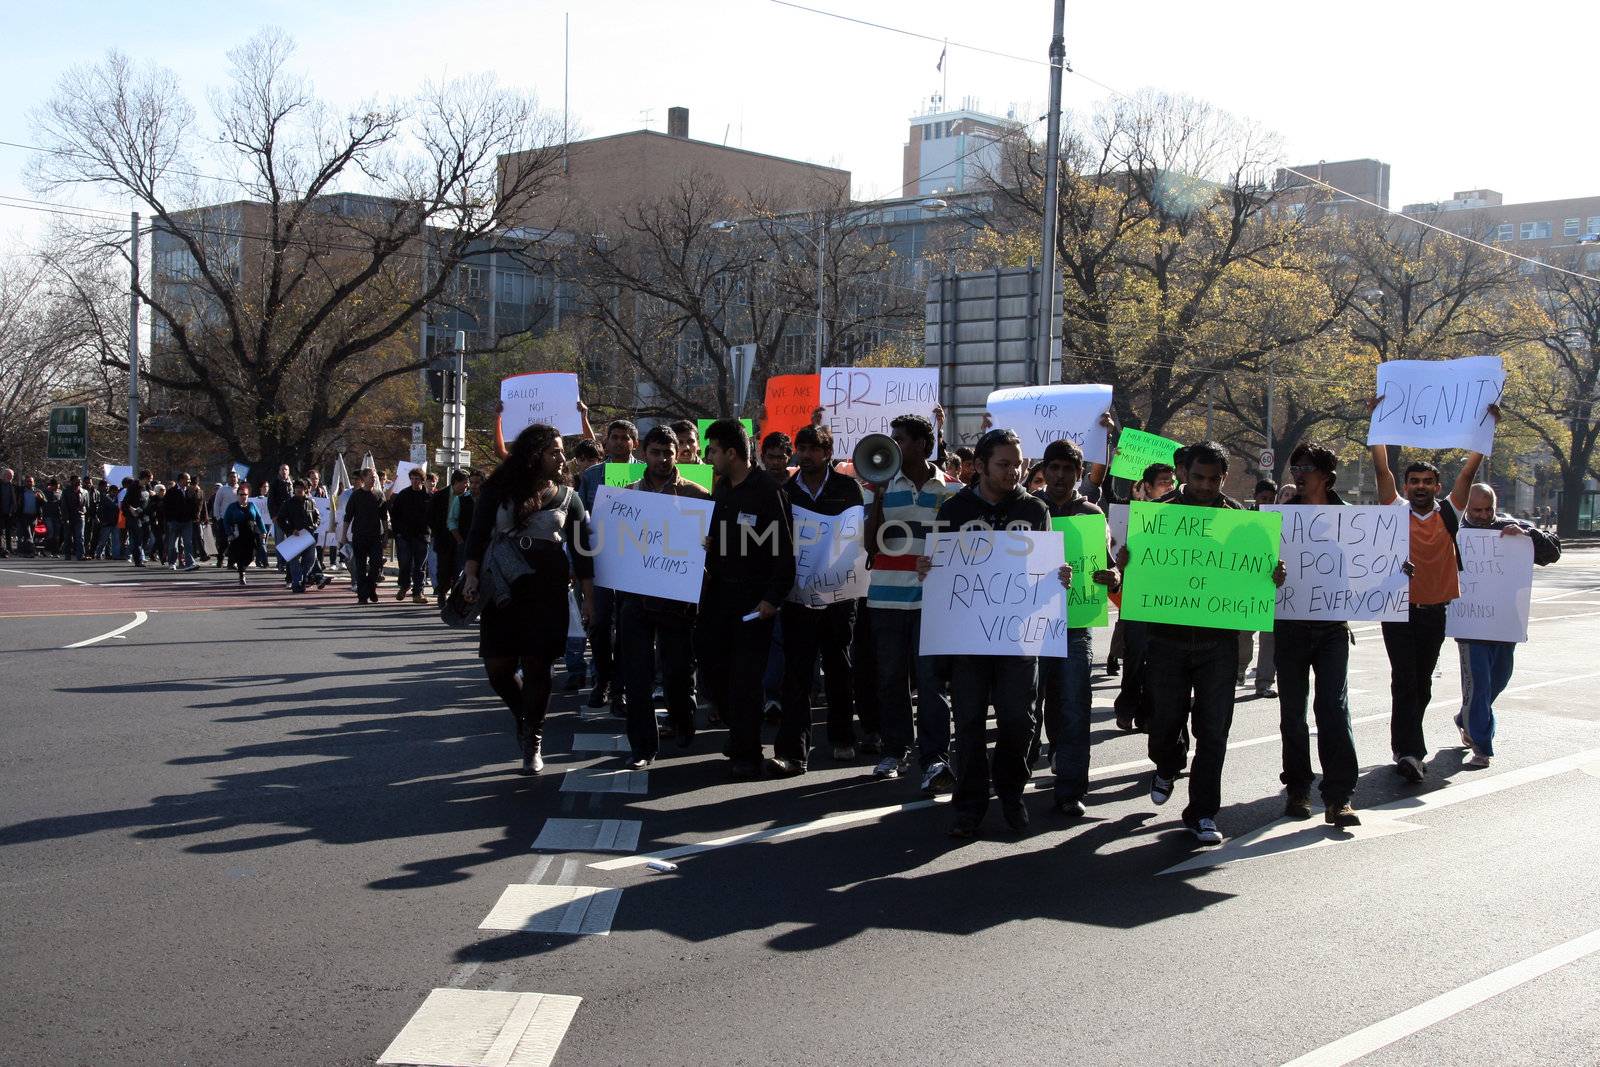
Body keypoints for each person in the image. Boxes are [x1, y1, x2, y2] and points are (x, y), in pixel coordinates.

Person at [917, 428, 1070, 837]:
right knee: (967, 724)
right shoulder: (955, 510)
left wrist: (1059, 576)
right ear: (980, 466)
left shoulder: (1036, 510)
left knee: (1019, 722)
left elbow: (1044, 569)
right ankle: (968, 806)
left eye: (1018, 463)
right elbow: (939, 569)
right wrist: (928, 571)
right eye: (1004, 464)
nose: (1014, 471)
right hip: (969, 642)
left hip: (1019, 640)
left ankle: (1011, 793)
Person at [1133, 441, 1285, 845]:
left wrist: (1271, 575)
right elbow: (1133, 569)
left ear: (1224, 477)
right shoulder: (1158, 517)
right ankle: (1167, 763)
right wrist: (1127, 563)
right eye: (1198, 477)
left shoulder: (1241, 520)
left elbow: (1254, 571)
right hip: (1167, 639)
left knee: (1214, 731)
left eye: (1213, 478)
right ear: (1184, 474)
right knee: (1164, 723)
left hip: (1219, 644)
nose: (1205, 485)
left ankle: (1202, 812)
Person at [1368, 398, 1495, 783]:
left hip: (1434, 611)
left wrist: (1484, 429)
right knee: (1404, 679)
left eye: (1427, 482)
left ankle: (1405, 745)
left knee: (1421, 682)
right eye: (1414, 482)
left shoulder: (1449, 511)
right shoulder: (1394, 507)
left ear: (1437, 486)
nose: (1420, 487)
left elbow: (1469, 472)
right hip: (1398, 610)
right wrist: (1376, 423)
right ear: (1406, 486)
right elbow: (1381, 468)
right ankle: (1409, 751)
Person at [462, 423, 594, 774]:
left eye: (562, 452)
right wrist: (471, 574)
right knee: (498, 668)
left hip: (547, 590)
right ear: (534, 455)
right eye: (554, 451)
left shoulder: (569, 497)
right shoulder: (497, 489)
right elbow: (476, 536)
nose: (562, 458)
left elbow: (584, 554)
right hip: (502, 587)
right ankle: (524, 714)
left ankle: (533, 738)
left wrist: (590, 599)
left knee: (539, 666)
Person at [696, 418, 795, 778]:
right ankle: (739, 732)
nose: (710, 457)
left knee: (745, 679)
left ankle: (747, 753)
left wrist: (772, 598)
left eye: (714, 451)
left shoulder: (767, 491)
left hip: (754, 602)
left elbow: (785, 552)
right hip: (719, 596)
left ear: (732, 453)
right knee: (711, 668)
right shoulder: (721, 488)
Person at [864, 412, 958, 790]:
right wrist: (880, 497)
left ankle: (935, 756)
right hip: (886, 597)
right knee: (890, 679)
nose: (894, 446)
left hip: (931, 602)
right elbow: (870, 545)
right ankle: (895, 749)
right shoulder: (879, 486)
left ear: (922, 443)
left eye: (900, 439)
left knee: (932, 681)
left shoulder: (950, 490)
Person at [766, 424, 866, 776]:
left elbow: (857, 538)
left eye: (813, 449)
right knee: (797, 674)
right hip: (797, 597)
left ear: (827, 453)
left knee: (839, 668)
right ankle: (793, 751)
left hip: (838, 597)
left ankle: (842, 737)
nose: (805, 455)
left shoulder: (846, 487)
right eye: (801, 448)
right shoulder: (786, 489)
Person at [1272, 442, 1362, 827]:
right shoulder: (1279, 519)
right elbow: (1259, 569)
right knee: (1292, 713)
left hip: (1331, 630)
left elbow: (1366, 569)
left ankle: (1339, 796)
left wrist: (1395, 571)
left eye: (1306, 467)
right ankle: (1298, 788)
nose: (1299, 473)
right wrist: (1270, 575)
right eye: (1295, 467)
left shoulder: (1350, 519)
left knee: (1333, 709)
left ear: (1327, 474)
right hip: (1290, 626)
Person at [1031, 438, 1121, 817]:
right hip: (1029, 627)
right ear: (1044, 471)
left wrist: (1112, 577)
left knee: (1073, 708)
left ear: (1079, 473)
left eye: (1069, 469)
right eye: (1054, 468)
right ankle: (1012, 781)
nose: (1061, 475)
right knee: (1024, 711)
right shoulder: (1028, 509)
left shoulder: (1091, 513)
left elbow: (1108, 564)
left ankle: (1070, 790)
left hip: (1075, 625)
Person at [618, 425, 711, 768]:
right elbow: (612, 547)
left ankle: (683, 721)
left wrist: (707, 546)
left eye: (667, 453)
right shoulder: (626, 496)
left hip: (678, 601)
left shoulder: (697, 495)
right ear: (644, 453)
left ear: (677, 454)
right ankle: (642, 746)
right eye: (655, 453)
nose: (661, 459)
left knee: (677, 671)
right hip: (636, 600)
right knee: (637, 676)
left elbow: (710, 548)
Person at [1455, 483, 1560, 767]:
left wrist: (1527, 536)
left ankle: (1465, 716)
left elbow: (1552, 553)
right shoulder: (1453, 530)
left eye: (1488, 508)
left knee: (1499, 678)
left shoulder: (1512, 526)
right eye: (1476, 509)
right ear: (1466, 507)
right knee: (1479, 682)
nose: (1483, 514)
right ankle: (1481, 745)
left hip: (1505, 623)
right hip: (1470, 625)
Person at [576, 419, 640, 713]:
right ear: (606, 441)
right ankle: (603, 679)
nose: (618, 442)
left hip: (636, 564)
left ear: (633, 443)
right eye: (613, 437)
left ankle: (620, 689)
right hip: (600, 561)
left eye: (624, 437)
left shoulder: (644, 473)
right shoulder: (591, 476)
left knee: (629, 627)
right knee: (600, 624)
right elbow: (580, 519)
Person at [1238, 478, 1280, 698]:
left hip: (1271, 586)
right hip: (1248, 586)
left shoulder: (1282, 520)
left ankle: (1264, 682)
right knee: (1243, 633)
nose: (1267, 503)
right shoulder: (1243, 519)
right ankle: (1240, 667)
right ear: (1255, 497)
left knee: (1269, 637)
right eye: (1264, 498)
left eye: (1271, 499)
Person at [341, 467, 389, 604]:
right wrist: (344, 535)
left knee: (376, 565)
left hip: (375, 537)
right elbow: (348, 517)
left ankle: (371, 587)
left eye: (374, 477)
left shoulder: (379, 495)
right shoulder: (356, 496)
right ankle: (362, 596)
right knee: (360, 566)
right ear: (363, 479)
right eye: (371, 477)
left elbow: (384, 517)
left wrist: (385, 535)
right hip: (359, 536)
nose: (373, 479)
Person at [388, 466, 432, 603]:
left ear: (422, 480)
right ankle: (404, 585)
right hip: (405, 536)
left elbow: (434, 516)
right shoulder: (403, 494)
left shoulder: (428, 497)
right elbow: (394, 514)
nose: (414, 481)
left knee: (420, 566)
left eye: (417, 479)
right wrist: (398, 532)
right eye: (412, 479)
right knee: (405, 563)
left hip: (422, 536)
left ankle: (418, 592)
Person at [276, 479, 328, 592]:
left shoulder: (310, 502)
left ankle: (304, 579)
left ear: (306, 489)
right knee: (294, 561)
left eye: (301, 488)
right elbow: (280, 519)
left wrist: (314, 525)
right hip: (294, 536)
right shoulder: (288, 503)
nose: (299, 490)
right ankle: (296, 582)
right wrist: (290, 529)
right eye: (297, 488)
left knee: (310, 559)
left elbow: (317, 517)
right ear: (294, 489)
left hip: (309, 536)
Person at [430, 470, 463, 599]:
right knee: (443, 567)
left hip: (459, 538)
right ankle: (442, 593)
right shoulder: (440, 496)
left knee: (457, 569)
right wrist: (437, 531)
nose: (465, 487)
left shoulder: (466, 497)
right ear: (455, 483)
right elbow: (430, 515)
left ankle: (455, 596)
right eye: (463, 484)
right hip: (443, 537)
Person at [222, 490, 266, 585]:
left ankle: (239, 566)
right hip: (238, 534)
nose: (244, 496)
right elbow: (226, 521)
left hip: (251, 533)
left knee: (251, 555)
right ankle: (242, 574)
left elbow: (258, 518)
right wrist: (229, 533)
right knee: (240, 554)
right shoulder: (232, 507)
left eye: (245, 494)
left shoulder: (252, 505)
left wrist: (263, 531)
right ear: (237, 496)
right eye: (241, 494)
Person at [165, 473, 201, 571]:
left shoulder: (190, 491)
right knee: (173, 543)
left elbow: (196, 505)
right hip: (175, 521)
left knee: (188, 543)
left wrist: (195, 493)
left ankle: (190, 563)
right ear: (181, 480)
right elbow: (166, 506)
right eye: (187, 479)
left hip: (187, 521)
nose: (189, 482)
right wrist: (170, 519)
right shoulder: (171, 492)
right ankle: (172, 562)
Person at [119, 477, 147, 567]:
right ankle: (136, 558)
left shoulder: (143, 489)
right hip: (130, 518)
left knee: (135, 539)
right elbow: (123, 504)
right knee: (134, 539)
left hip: (138, 517)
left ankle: (138, 557)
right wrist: (131, 509)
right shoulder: (127, 491)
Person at [60, 475, 87, 561]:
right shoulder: (66, 491)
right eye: (76, 480)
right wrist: (66, 518)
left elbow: (87, 505)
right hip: (69, 517)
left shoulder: (84, 492)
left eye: (79, 480)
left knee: (80, 536)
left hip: (80, 517)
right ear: (71, 482)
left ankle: (80, 555)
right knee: (68, 537)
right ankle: (67, 555)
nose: (79, 482)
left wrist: (84, 511)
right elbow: (63, 506)